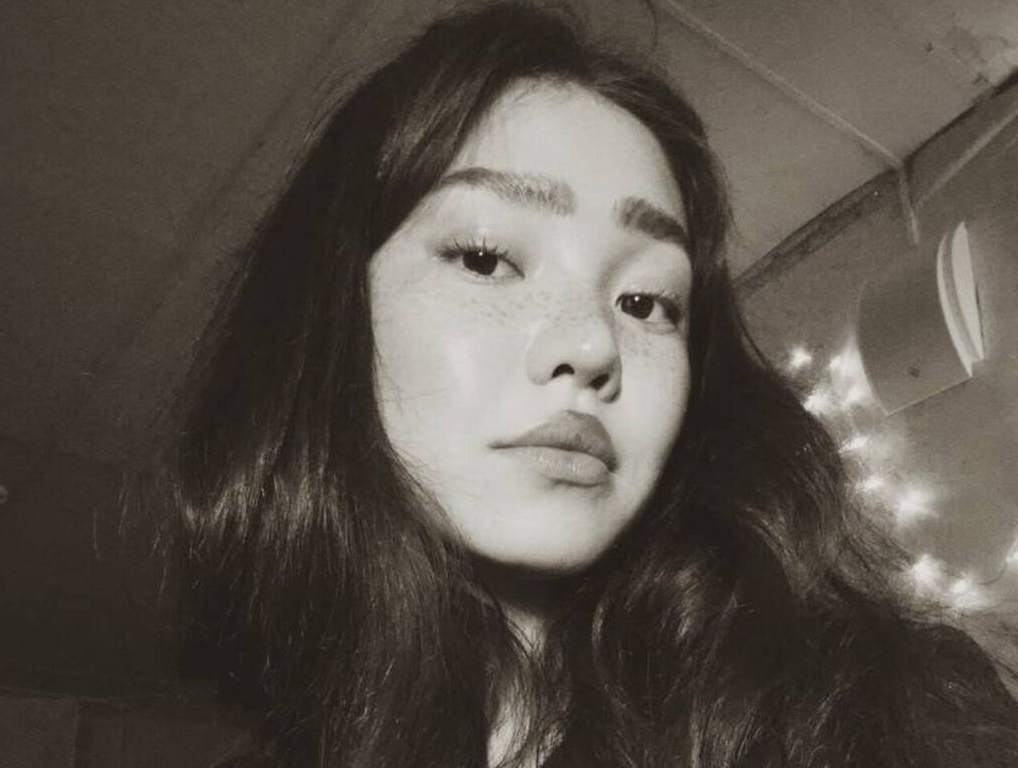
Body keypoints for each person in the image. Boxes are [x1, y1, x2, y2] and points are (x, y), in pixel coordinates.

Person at [147, 2, 1018, 766]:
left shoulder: (895, 711)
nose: (594, 343)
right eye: (486, 258)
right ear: (330, 312)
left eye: (646, 302)